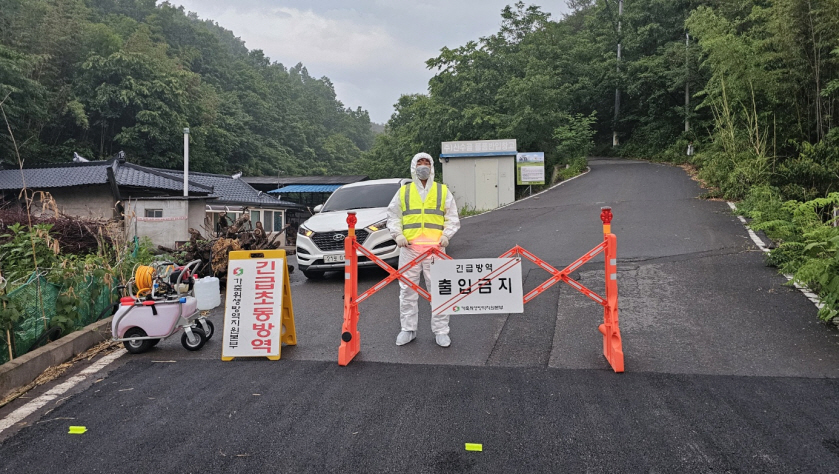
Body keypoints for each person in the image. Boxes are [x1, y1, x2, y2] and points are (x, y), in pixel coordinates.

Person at [386, 152, 460, 347]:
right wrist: (398, 235)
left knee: (439, 289)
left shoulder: (442, 190)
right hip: (410, 248)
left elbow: (452, 217)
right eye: (420, 162)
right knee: (407, 290)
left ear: (432, 166)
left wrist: (446, 235)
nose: (423, 165)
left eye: (427, 162)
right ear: (413, 166)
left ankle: (441, 331)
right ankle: (408, 329)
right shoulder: (404, 191)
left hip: (435, 250)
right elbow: (393, 215)